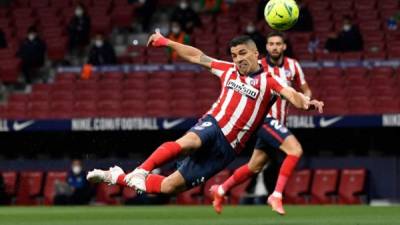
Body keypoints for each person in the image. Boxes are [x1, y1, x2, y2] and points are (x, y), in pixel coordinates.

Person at [87, 32, 323, 199]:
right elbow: (196, 56)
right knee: (189, 142)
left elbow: (293, 95)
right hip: (215, 123)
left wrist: (307, 103)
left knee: (170, 187)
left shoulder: (270, 81)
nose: (238, 59)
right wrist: (166, 41)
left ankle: (117, 176)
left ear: (255, 53)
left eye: (243, 53)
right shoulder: (228, 70)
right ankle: (141, 170)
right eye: (234, 54)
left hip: (228, 148)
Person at [209, 31, 312, 215]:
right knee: (295, 150)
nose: (274, 47)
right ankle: (277, 195)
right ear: (265, 48)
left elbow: (305, 89)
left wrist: (307, 100)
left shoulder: (293, 66)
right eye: (271, 43)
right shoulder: (257, 66)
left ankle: (221, 190)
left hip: (279, 122)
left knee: (254, 166)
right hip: (264, 118)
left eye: (278, 44)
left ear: (284, 46)